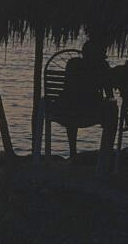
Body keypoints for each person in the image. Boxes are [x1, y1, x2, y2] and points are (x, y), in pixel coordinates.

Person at [50, 39, 118, 169]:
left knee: (72, 107)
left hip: (66, 112)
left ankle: (73, 153)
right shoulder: (102, 67)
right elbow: (109, 95)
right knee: (112, 109)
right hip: (90, 113)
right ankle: (106, 154)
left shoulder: (72, 63)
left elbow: (68, 88)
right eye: (103, 52)